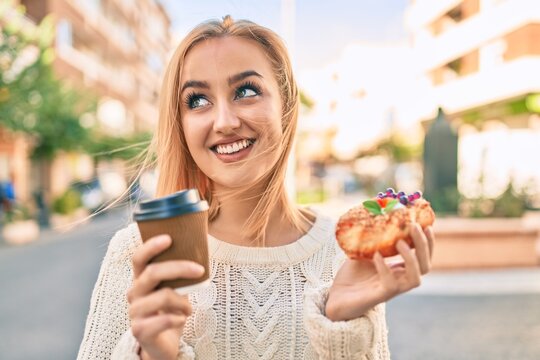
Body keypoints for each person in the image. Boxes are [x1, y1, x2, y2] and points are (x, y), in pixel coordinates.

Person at [77, 16, 435, 360]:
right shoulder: (139, 252)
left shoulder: (342, 256)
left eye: (246, 91)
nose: (225, 122)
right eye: (198, 101)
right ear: (181, 125)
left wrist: (341, 327)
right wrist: (154, 355)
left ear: (286, 107)